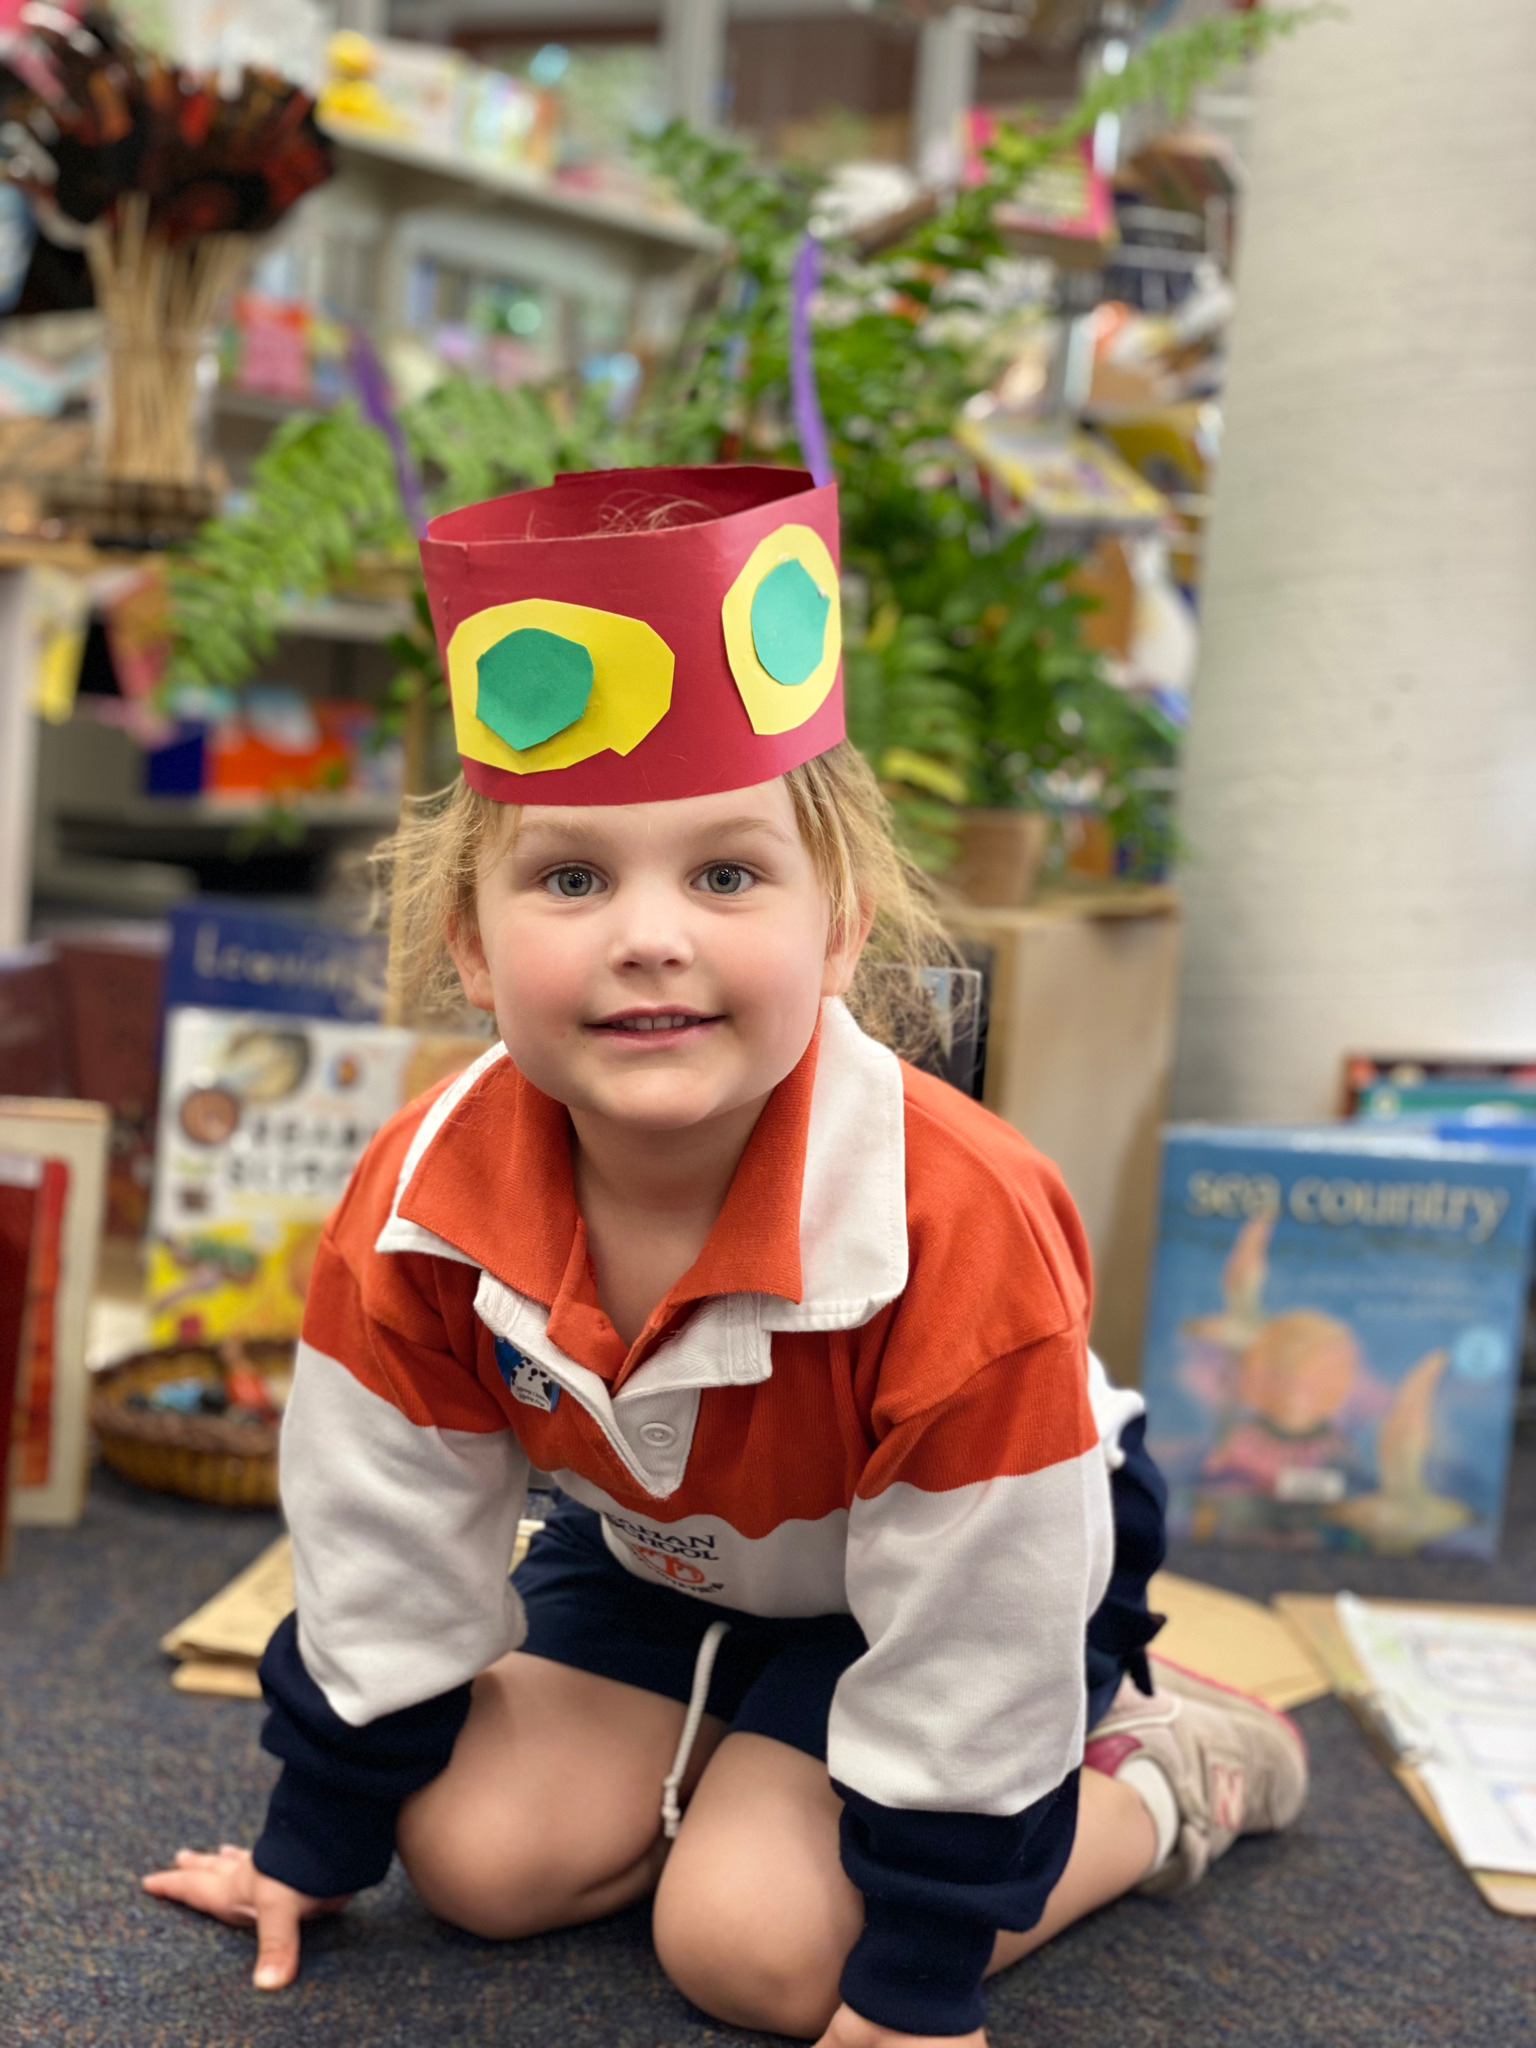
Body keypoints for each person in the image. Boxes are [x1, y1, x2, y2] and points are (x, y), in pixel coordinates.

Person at [144, 465, 1307, 2047]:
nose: (649, 935)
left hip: (982, 1576)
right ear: (473, 946)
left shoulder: (959, 1213)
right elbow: (383, 1531)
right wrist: (313, 1848)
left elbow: (978, 1623)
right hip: (665, 1555)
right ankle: (754, 1751)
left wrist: (917, 1981)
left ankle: (1164, 1775)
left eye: (728, 873)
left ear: (838, 929)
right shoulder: (417, 1188)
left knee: (754, 1953)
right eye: (570, 877)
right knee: (474, 1861)